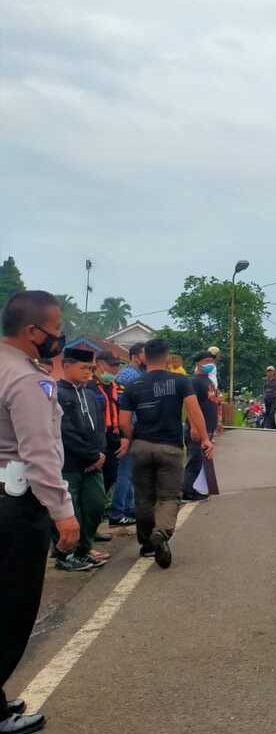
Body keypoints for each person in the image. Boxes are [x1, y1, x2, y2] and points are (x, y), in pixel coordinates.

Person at [1, 291, 78, 734]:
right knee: (11, 610)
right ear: (32, 332)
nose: (60, 337)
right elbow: (40, 453)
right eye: (56, 329)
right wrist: (62, 512)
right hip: (17, 505)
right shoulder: (24, 380)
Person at [119, 338, 213, 569]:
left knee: (144, 497)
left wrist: (133, 439)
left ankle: (147, 545)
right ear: (167, 357)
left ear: (145, 357)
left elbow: (124, 421)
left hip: (141, 446)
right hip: (170, 447)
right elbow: (194, 411)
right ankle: (160, 533)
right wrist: (205, 438)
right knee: (169, 497)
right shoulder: (180, 381)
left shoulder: (133, 385)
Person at [55, 348, 110, 571]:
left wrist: (101, 452)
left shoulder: (89, 393)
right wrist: (92, 455)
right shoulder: (56, 393)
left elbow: (99, 426)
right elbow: (65, 432)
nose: (89, 373)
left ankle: (83, 550)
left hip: (94, 463)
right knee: (72, 513)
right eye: (84, 368)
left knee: (96, 507)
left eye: (91, 368)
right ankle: (65, 555)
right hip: (69, 464)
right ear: (66, 365)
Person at [109, 342, 146, 527]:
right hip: (129, 429)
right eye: (144, 354)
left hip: (135, 428)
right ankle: (117, 511)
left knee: (131, 472)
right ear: (134, 356)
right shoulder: (128, 375)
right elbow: (123, 408)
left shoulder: (138, 375)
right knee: (125, 472)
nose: (147, 357)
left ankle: (128, 509)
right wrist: (128, 433)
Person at [182, 352, 221, 502]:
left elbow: (214, 402)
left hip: (208, 426)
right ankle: (187, 491)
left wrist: (218, 421)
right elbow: (191, 406)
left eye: (212, 361)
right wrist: (193, 427)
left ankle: (197, 489)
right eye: (207, 361)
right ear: (198, 364)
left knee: (202, 460)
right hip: (197, 428)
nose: (211, 364)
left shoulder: (209, 381)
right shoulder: (194, 381)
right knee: (194, 460)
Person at [91, 351, 123, 494]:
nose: (115, 369)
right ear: (99, 364)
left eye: (117, 366)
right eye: (112, 366)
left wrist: (125, 437)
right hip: (96, 438)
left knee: (111, 475)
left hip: (115, 438)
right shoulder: (88, 386)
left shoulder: (119, 387)